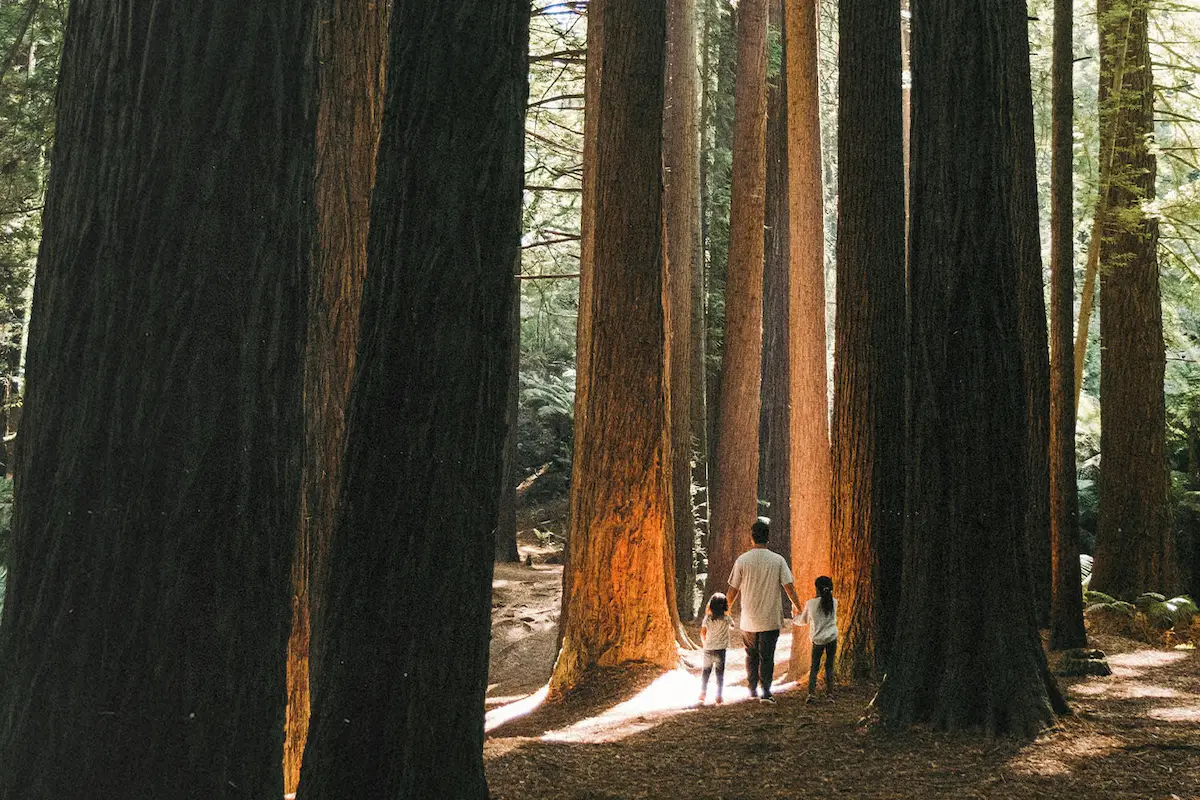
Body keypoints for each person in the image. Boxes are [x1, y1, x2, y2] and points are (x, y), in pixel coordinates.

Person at [726, 517, 803, 704]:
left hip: (749, 618)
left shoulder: (742, 560)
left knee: (751, 655)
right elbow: (789, 586)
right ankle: (766, 691)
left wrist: (725, 610)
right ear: (767, 539)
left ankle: (752, 689)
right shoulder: (778, 560)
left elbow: (733, 590)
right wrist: (798, 606)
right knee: (767, 656)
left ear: (752, 538)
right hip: (770, 618)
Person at [796, 575, 838, 703]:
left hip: (818, 640)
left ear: (817, 589)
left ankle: (811, 694)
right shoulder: (834, 602)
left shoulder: (811, 604)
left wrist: (794, 618)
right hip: (832, 638)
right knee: (829, 666)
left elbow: (802, 621)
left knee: (814, 666)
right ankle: (830, 694)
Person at [697, 593, 732, 705]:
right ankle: (719, 696)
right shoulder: (727, 619)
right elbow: (733, 626)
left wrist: (705, 643)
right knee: (719, 674)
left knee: (706, 672)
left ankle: (702, 694)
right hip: (721, 650)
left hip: (708, 648)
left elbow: (702, 633)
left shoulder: (707, 619)